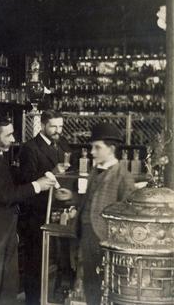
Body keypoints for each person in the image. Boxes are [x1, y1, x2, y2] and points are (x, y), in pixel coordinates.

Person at [0, 117, 57, 305]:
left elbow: (14, 181)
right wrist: (37, 185)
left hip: (6, 230)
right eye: (8, 135)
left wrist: (44, 177)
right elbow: (5, 195)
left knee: (8, 288)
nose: (13, 139)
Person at [77, 122, 136, 305]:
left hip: (104, 237)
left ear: (111, 149)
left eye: (97, 147)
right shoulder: (95, 170)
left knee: (107, 282)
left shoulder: (123, 176)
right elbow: (91, 200)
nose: (92, 152)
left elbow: (128, 213)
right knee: (89, 281)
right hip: (87, 234)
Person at [18, 110, 72, 305]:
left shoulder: (62, 144)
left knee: (59, 260)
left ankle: (53, 298)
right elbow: (27, 181)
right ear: (42, 125)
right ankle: (33, 301)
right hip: (36, 215)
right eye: (53, 126)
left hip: (57, 211)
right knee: (35, 262)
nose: (58, 130)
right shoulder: (29, 148)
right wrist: (53, 172)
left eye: (60, 126)